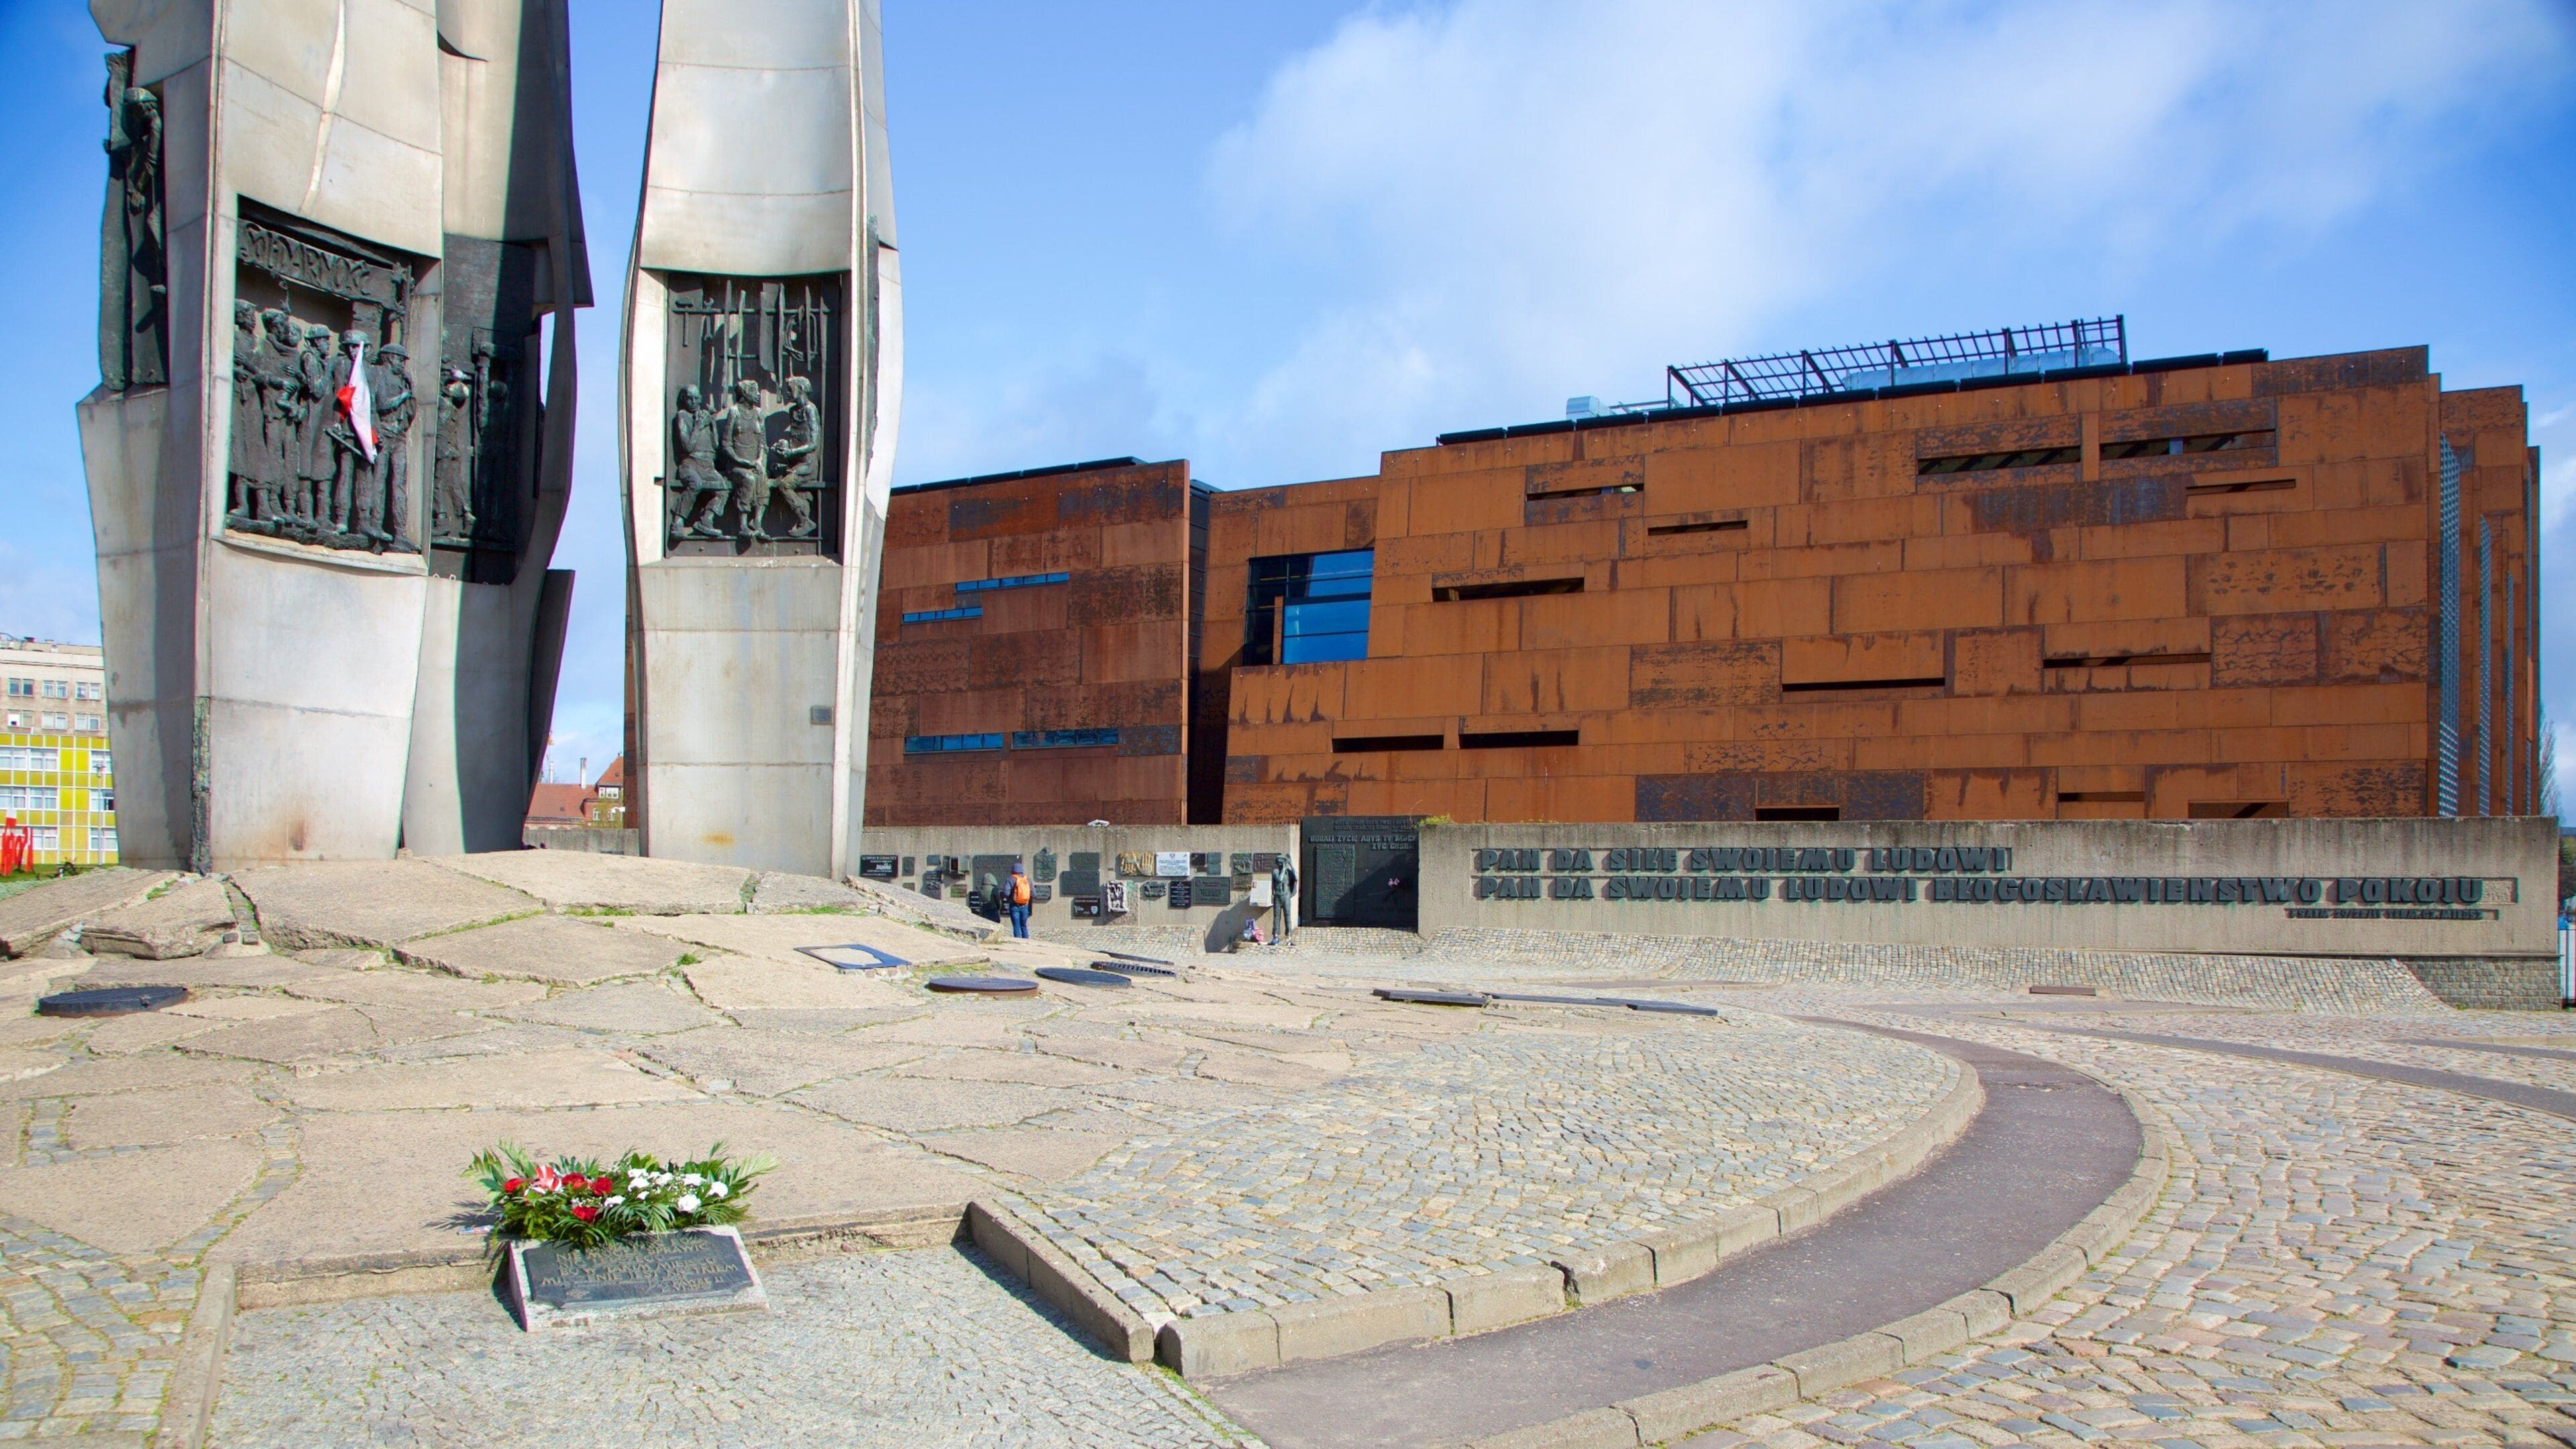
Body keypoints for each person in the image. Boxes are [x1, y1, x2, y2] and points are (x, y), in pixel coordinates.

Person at [1005, 860, 1034, 939]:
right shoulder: (1028, 880)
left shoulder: (1010, 879)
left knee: (1016, 925)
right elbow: (1034, 894)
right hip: (1025, 905)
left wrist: (1011, 898)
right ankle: (1027, 942)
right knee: (1024, 925)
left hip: (1014, 905)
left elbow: (1006, 892)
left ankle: (1018, 943)